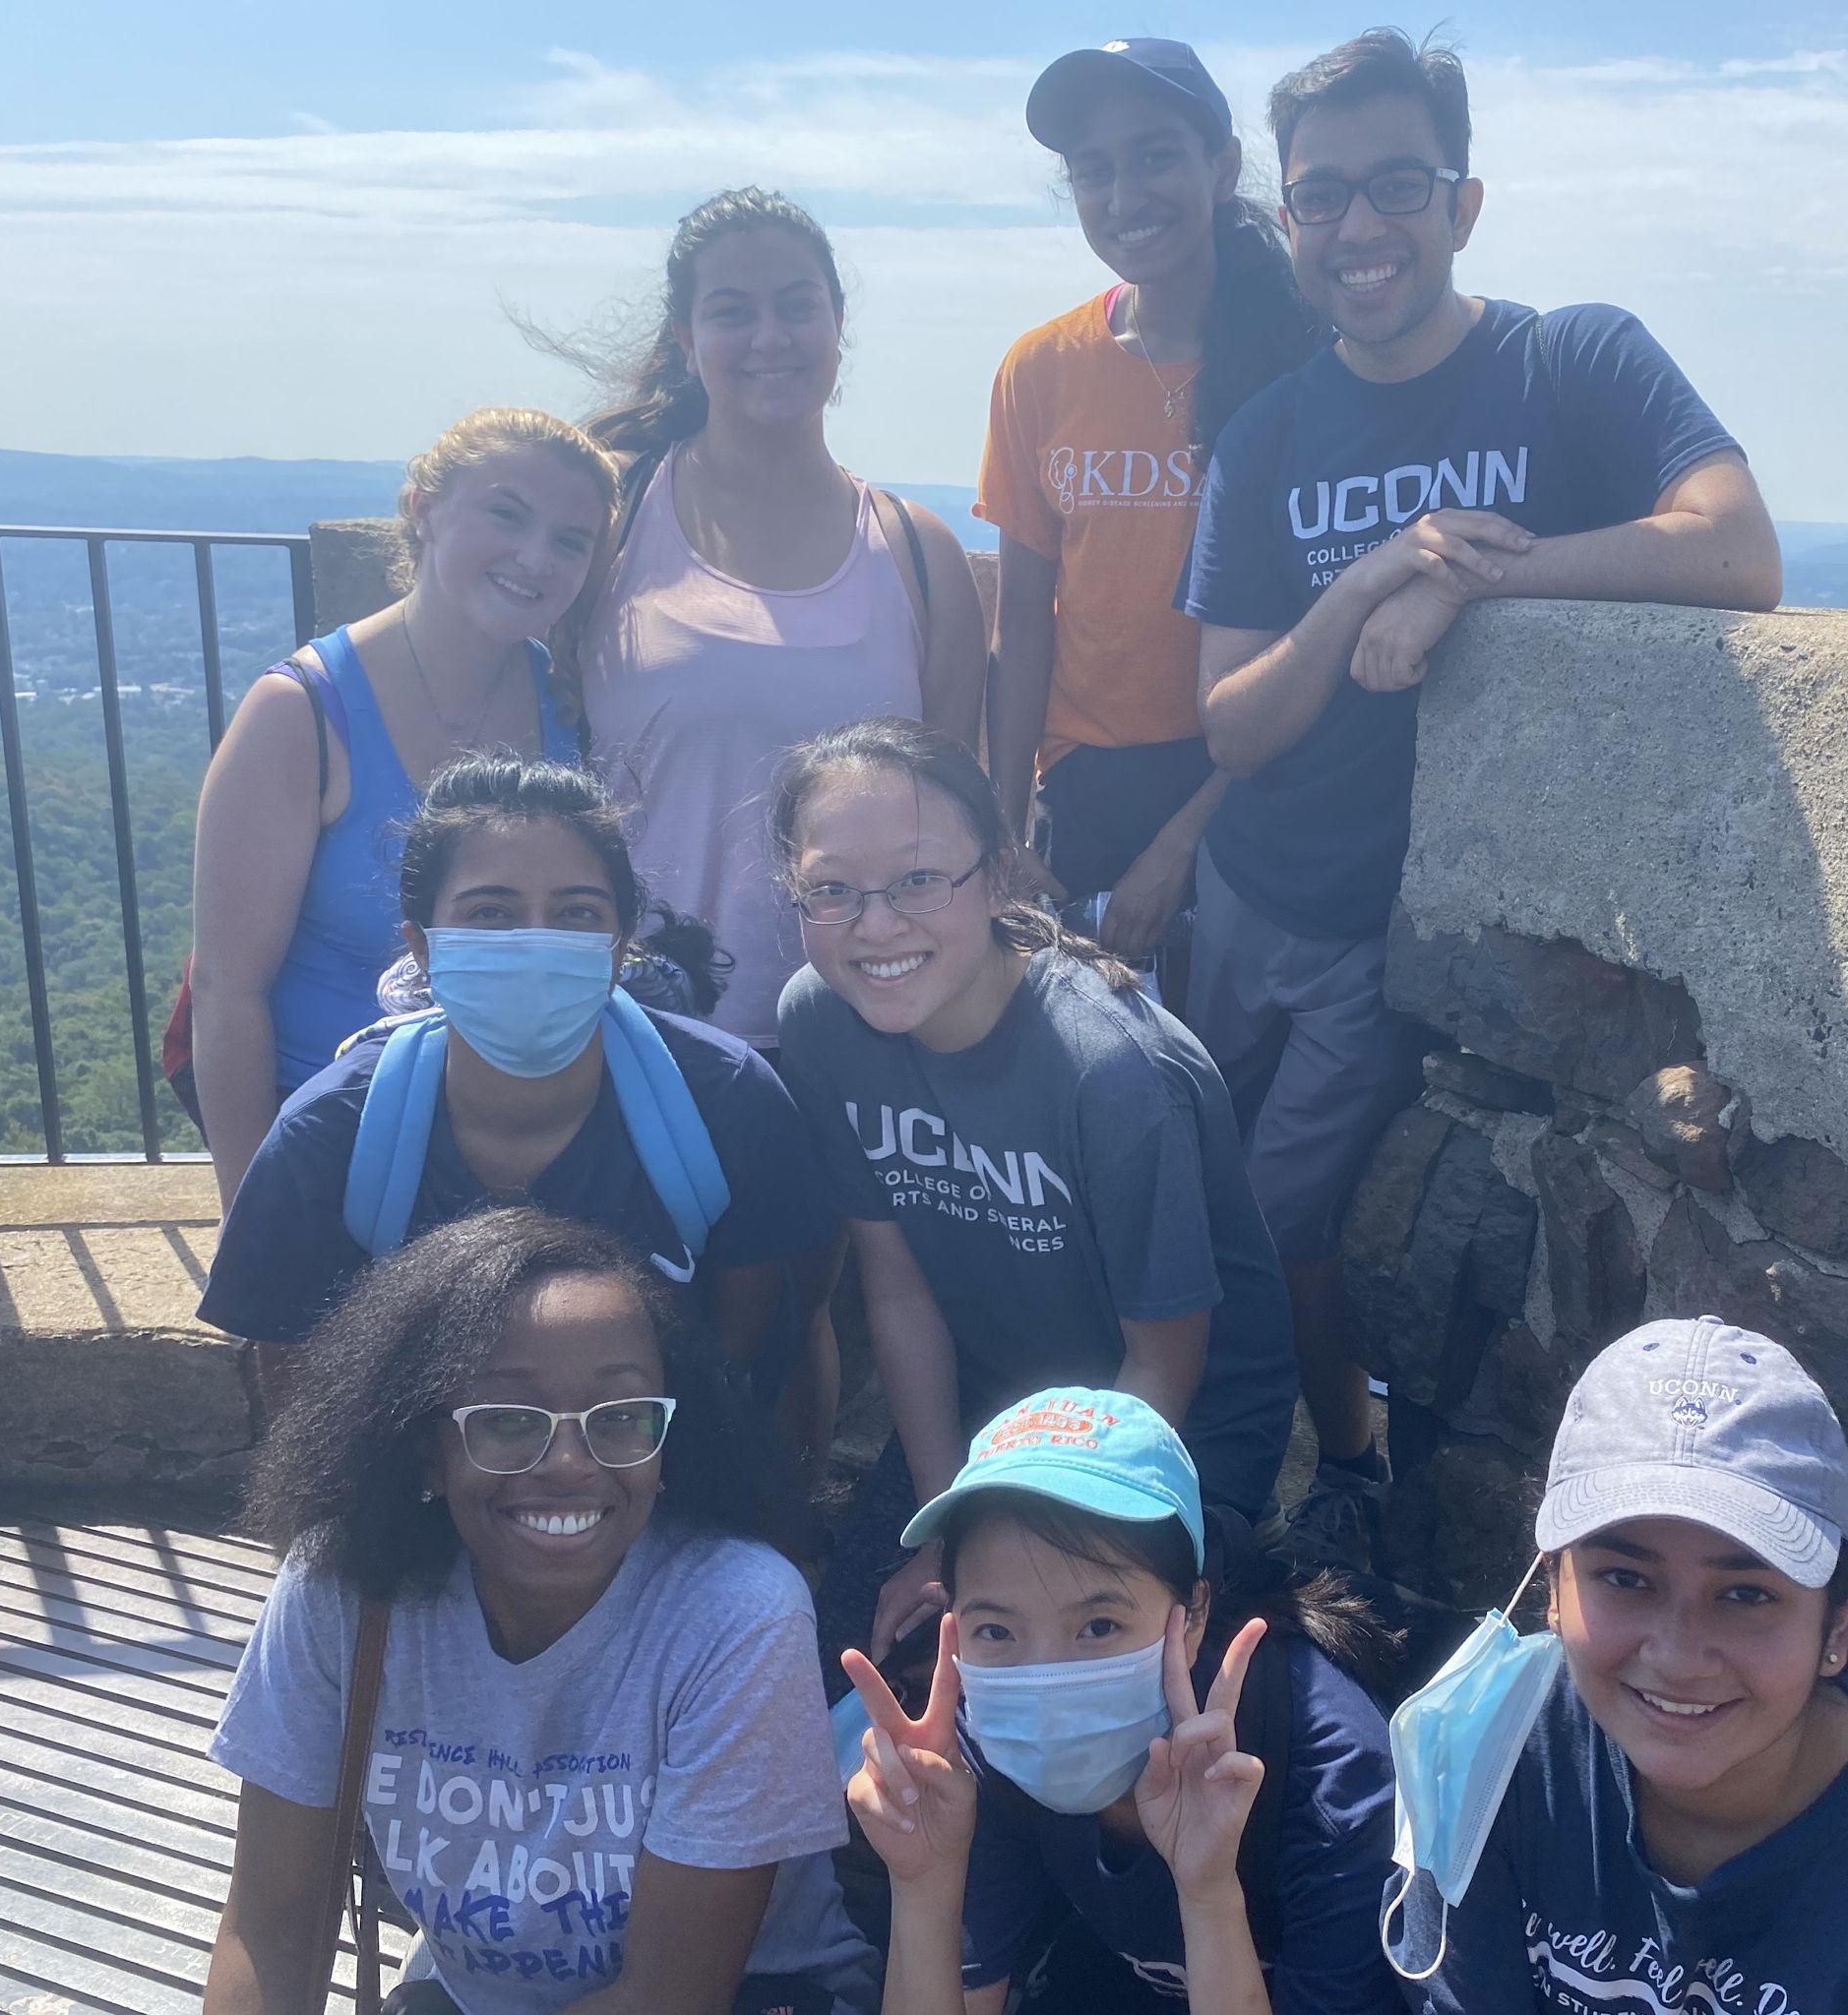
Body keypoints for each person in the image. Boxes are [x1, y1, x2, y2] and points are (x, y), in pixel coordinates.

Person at [1181, 31, 1782, 1568]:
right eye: (1323, 197)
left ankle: (1346, 1463)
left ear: (1465, 199)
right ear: (1293, 222)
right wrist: (1381, 573)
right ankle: (1307, 1449)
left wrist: (1475, 582)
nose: (1360, 228)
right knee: (1198, 1202)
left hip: (1389, 922)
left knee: (1277, 1219)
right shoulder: (1270, 437)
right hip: (1248, 884)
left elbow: (1733, 552)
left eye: (1399, 185)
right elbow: (1235, 724)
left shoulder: (1568, 361)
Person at [205, 1206, 879, 2015]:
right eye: (507, 1423)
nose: (567, 1464)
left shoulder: (736, 1613)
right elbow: (269, 1930)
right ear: (425, 1447)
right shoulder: (343, 1587)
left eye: (622, 1419)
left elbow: (667, 1996)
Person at [769, 718, 1297, 1679]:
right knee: (854, 1662)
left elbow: (1161, 1363)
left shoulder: (1112, 1072)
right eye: (831, 889)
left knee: (1092, 1692)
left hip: (1169, 1424)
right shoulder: (821, 1017)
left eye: (920, 879)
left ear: (1002, 875)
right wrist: (941, 1527)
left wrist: (1027, 1568)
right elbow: (897, 1286)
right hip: (994, 1403)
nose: (875, 924)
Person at [199, 756, 835, 1433]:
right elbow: (304, 1410)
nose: (535, 941)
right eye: (491, 912)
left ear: (619, 948)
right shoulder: (330, 1134)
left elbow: (760, 1358)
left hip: (667, 1486)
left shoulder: (725, 1104)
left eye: (576, 912)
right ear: (423, 947)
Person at [567, 185, 987, 1053]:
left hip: (871, 1038)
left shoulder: (917, 554)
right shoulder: (609, 521)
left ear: (838, 324)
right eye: (732, 312)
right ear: (686, 341)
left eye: (797, 307)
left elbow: (957, 824)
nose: (770, 337)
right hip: (637, 1034)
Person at [841, 1387, 1400, 2013]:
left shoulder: (1336, 1776)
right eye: (996, 1630)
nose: (1045, 1683)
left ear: (1191, 1617)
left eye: (1099, 1625)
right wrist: (923, 1884)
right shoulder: (972, 1759)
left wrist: (1208, 1891)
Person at [190, 405, 617, 1209]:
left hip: (529, 1154)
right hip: (334, 1144)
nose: (535, 557)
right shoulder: (302, 713)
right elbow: (226, 989)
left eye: (570, 540)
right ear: (424, 509)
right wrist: (256, 1217)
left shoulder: (572, 706)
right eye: (506, 515)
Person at [1383, 1316, 1848, 2008]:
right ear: (1553, 1590)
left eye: (1746, 1594)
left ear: (1837, 1629)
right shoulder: (1477, 1751)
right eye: (1626, 1579)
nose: (1679, 1655)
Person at [979, 39, 1318, 974]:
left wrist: (1181, 845)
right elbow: (1023, 626)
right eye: (1096, 171)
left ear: (1222, 166)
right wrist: (1002, 839)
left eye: (1156, 155)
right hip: (1084, 788)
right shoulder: (1040, 368)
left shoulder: (1303, 364)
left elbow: (1312, 636)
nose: (1126, 196)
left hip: (1254, 779)